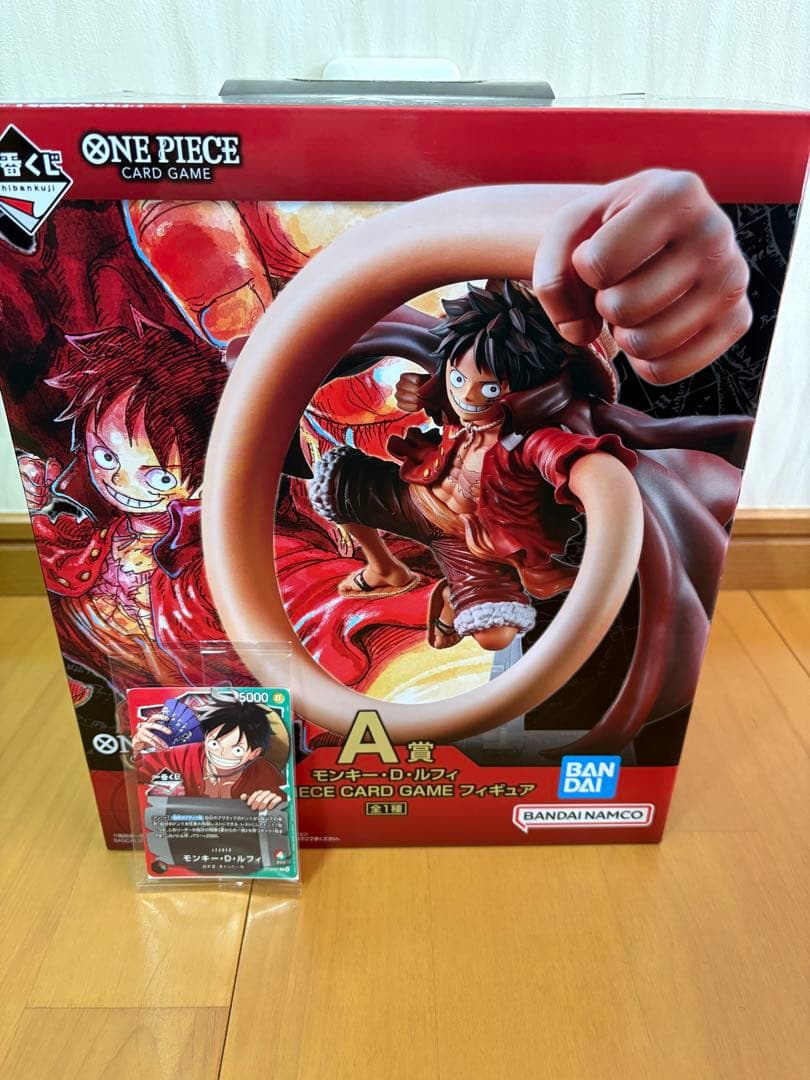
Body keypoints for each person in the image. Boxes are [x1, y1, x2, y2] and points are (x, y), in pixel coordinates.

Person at [132, 696, 285, 811]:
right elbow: (135, 774)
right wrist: (137, 747)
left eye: (237, 750)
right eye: (214, 743)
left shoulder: (264, 773)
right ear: (205, 737)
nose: (222, 753)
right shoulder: (183, 756)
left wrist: (272, 802)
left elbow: (283, 808)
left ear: (254, 753)